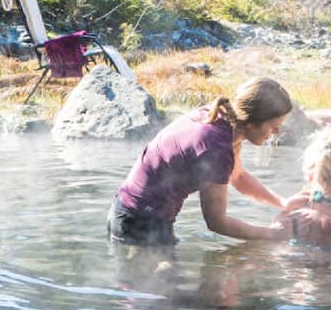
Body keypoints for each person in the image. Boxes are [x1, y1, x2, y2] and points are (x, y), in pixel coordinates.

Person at [108, 78, 310, 246]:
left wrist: (282, 202)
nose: (276, 133)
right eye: (274, 126)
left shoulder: (220, 117)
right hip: (139, 224)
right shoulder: (216, 148)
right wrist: (273, 235)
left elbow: (237, 177)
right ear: (252, 120)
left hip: (131, 214)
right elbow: (216, 222)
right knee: (170, 292)